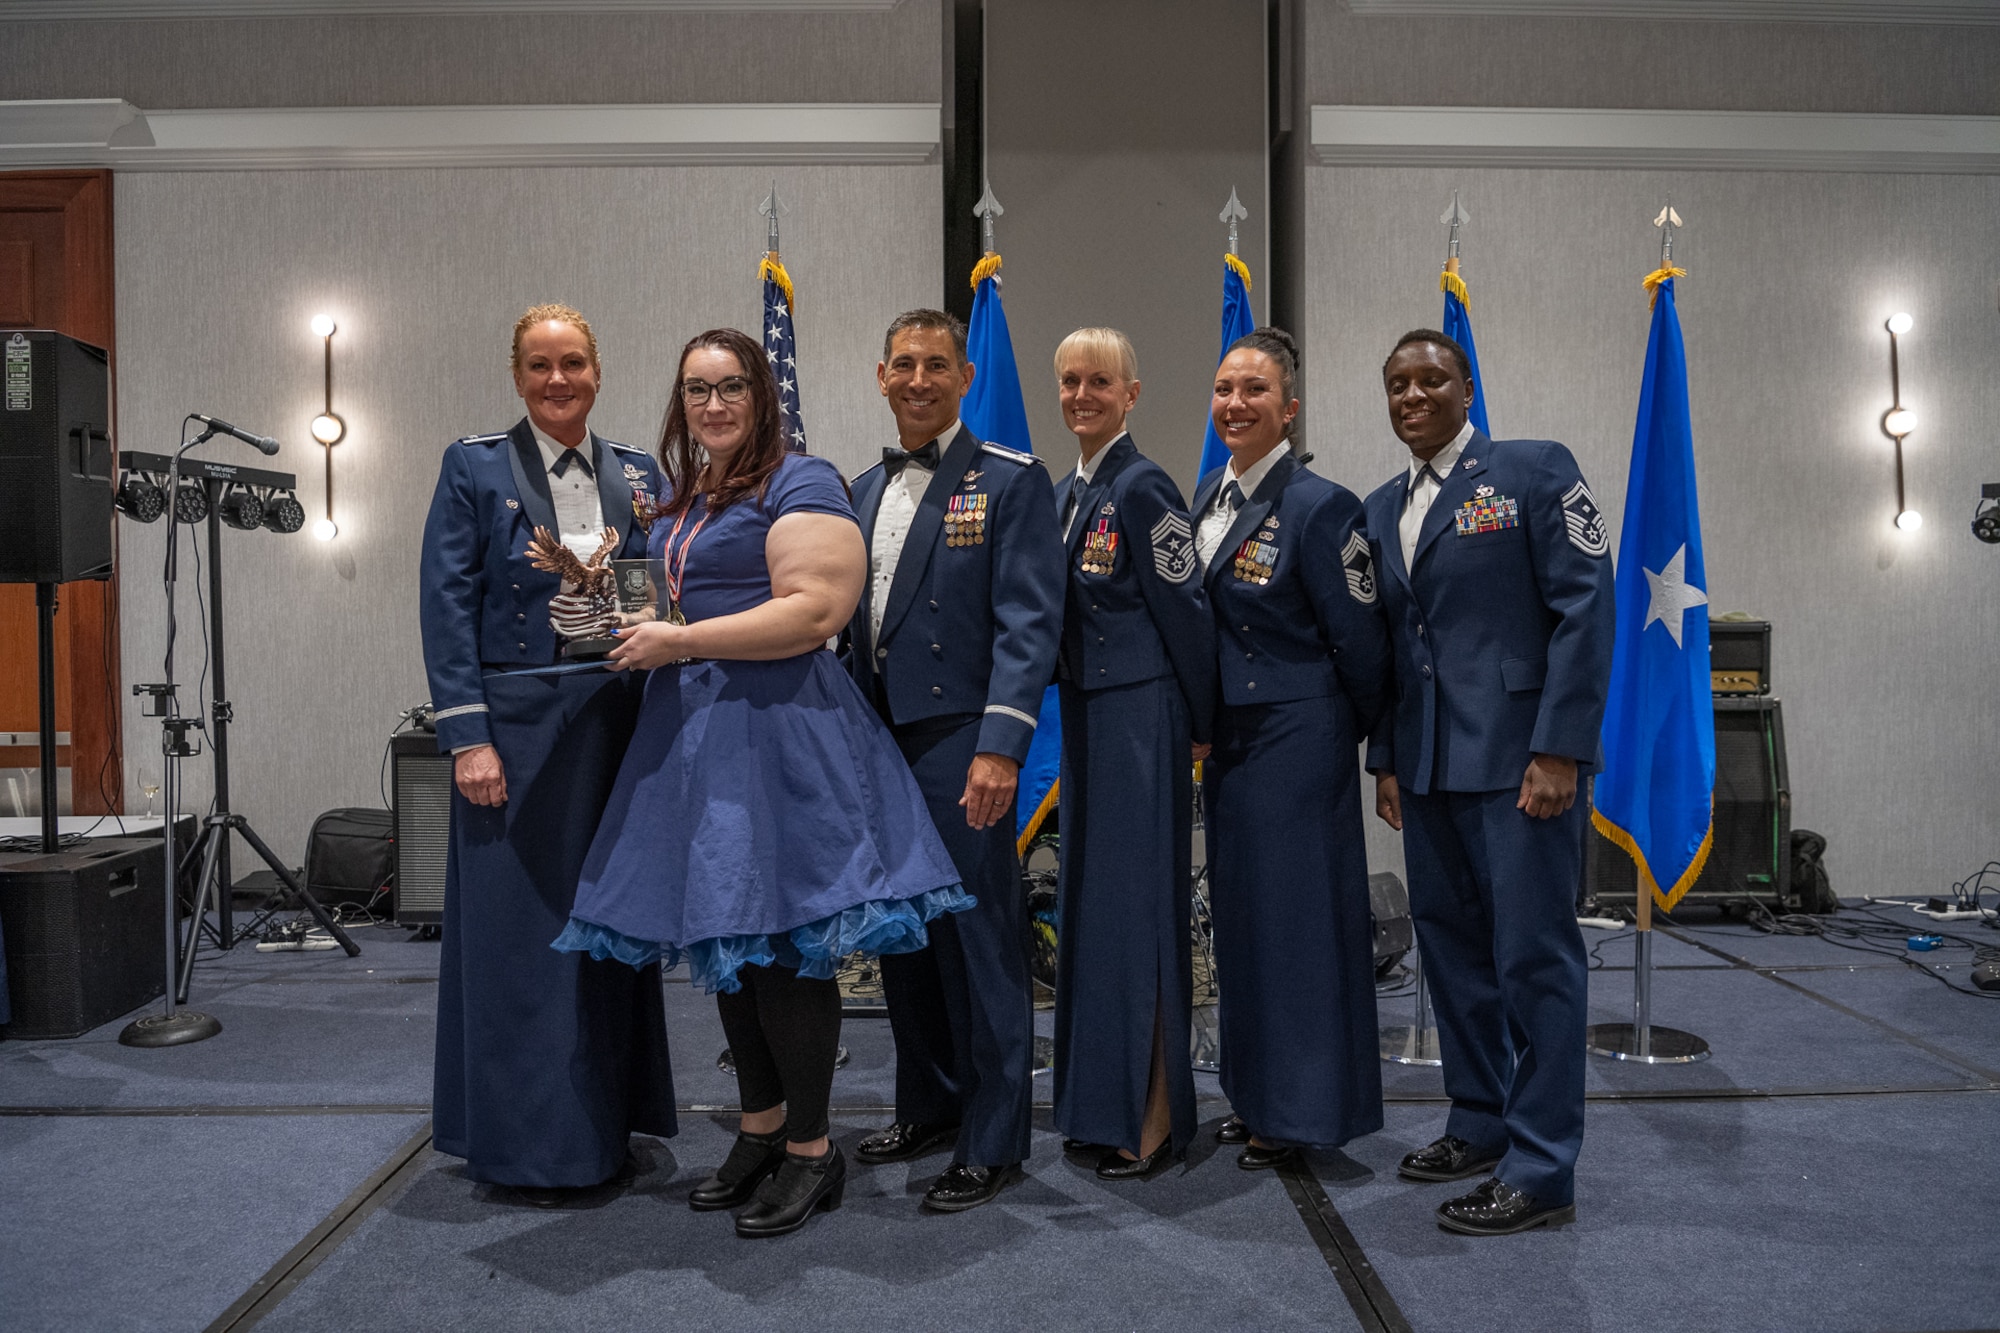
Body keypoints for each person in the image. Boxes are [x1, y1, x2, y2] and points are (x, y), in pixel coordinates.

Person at [551, 328, 970, 1240]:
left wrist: (681, 640)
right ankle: (762, 1128)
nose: (714, 403)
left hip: (781, 732)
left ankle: (816, 1153)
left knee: (784, 949)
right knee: (727, 945)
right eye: (698, 388)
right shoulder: (690, 494)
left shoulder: (801, 479)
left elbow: (815, 612)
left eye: (731, 385)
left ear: (761, 394)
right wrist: (606, 616)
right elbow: (666, 605)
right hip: (698, 733)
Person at [420, 303, 677, 1206]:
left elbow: (649, 583)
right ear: (517, 375)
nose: (557, 380)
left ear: (598, 371)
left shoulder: (640, 473)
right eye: (539, 365)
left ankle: (606, 1126)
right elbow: (446, 607)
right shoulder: (475, 467)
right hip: (516, 735)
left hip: (612, 724)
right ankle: (529, 1146)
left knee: (609, 933)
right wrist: (467, 737)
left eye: (572, 363)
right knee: (520, 944)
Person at [1362, 329, 1615, 1236]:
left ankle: (1543, 1167)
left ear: (1468, 385)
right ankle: (1478, 1121)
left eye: (1432, 378)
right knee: (1454, 957)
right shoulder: (1382, 503)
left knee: (1534, 960)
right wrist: (1388, 757)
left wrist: (1560, 750)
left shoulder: (1535, 470)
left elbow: (1587, 607)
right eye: (1397, 384)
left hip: (1520, 765)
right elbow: (1396, 647)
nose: (1413, 395)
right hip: (1429, 768)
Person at [845, 309, 1064, 1213]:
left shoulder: (1010, 480)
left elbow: (1029, 624)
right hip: (881, 740)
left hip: (964, 741)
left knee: (980, 942)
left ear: (965, 378)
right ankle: (929, 1102)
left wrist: (1003, 747)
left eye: (938, 364)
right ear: (882, 375)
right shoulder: (857, 488)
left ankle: (995, 1133)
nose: (920, 379)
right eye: (905, 364)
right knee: (905, 937)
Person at [1189, 326, 1392, 1170]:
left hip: (1297, 743)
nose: (1236, 403)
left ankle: (1305, 1109)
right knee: (1243, 928)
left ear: (1290, 409)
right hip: (1233, 748)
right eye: (1226, 388)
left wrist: (1360, 745)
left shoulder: (1321, 506)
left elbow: (1364, 644)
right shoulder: (1208, 495)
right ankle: (1257, 1093)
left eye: (1256, 391)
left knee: (1300, 932)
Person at [1044, 328, 1215, 1180]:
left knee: (1139, 914)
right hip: (1084, 714)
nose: (1082, 395)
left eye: (1099, 381)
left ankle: (1151, 1117)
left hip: (1141, 717)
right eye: (1071, 380)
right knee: (1094, 915)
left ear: (1132, 393)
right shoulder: (1071, 490)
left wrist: (1199, 722)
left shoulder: (1145, 486)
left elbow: (1186, 612)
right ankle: (1097, 1100)